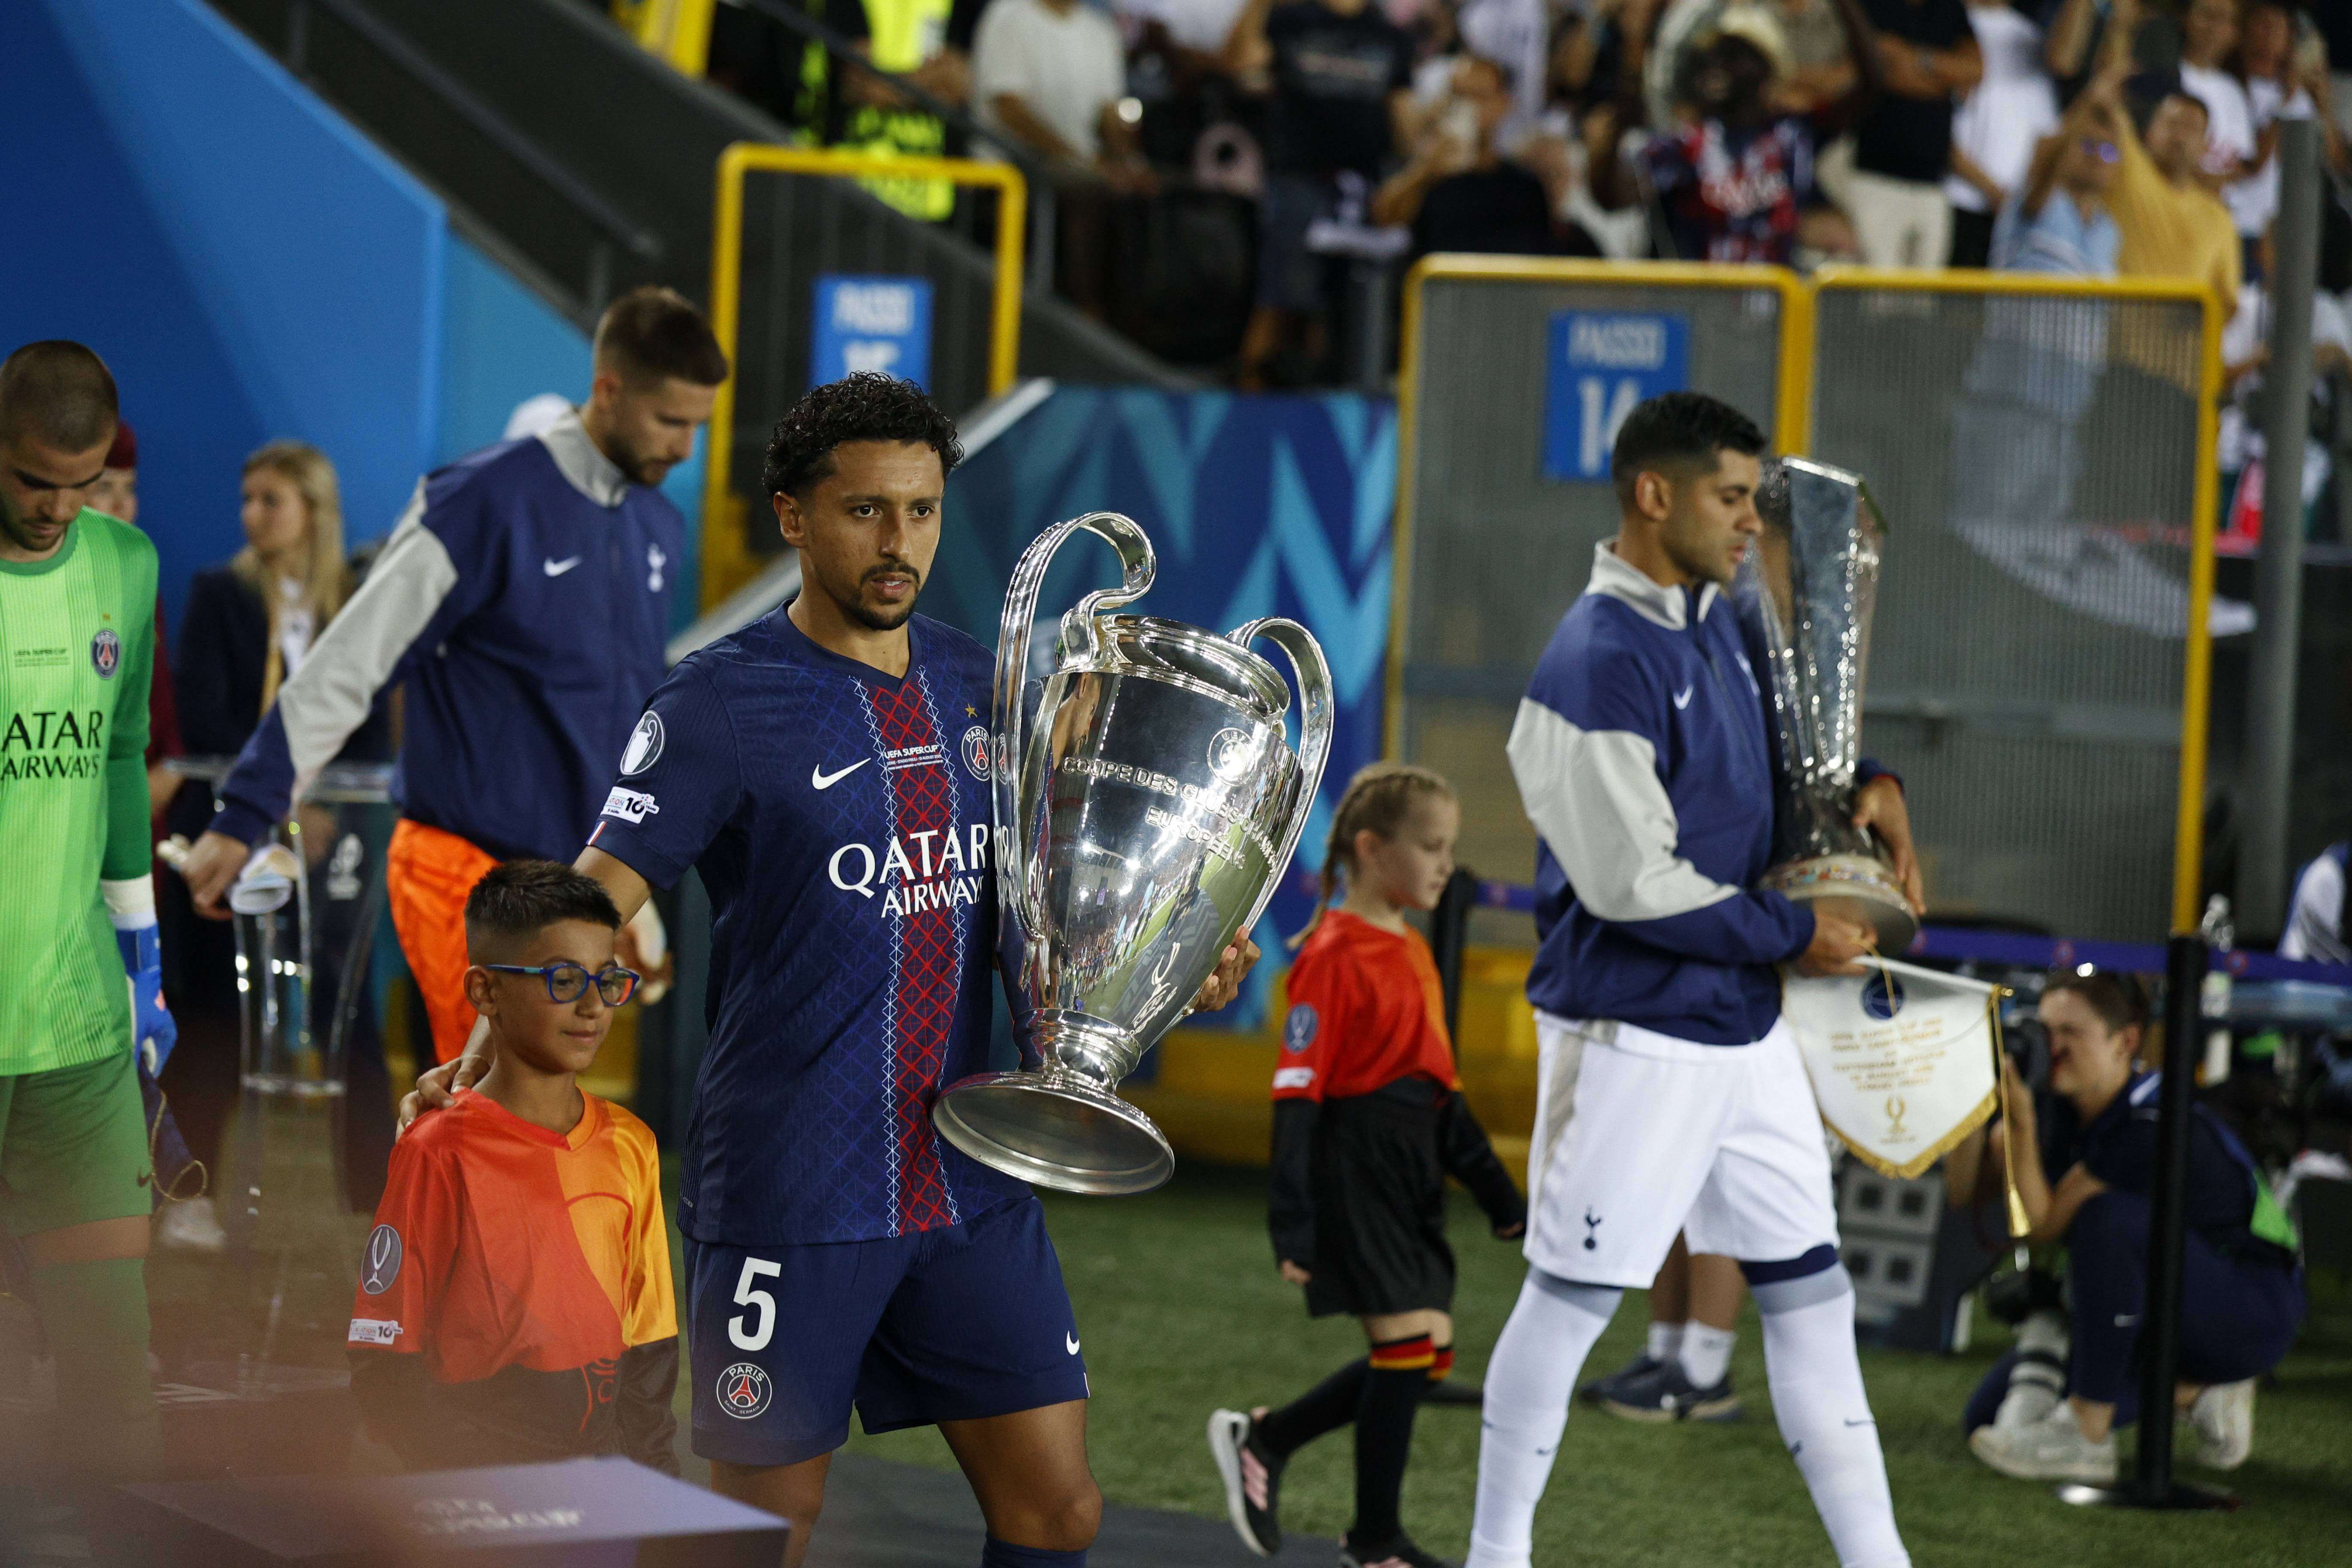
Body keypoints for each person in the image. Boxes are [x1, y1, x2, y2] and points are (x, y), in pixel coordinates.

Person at [407, 373, 1257, 1568]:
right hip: (796, 1186)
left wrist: (1162, 966)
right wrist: (488, 1044)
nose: (898, 541)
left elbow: (1040, 909)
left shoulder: (990, 690)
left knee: (1056, 1511)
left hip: (968, 1175)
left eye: (920, 510)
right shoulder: (720, 705)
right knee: (755, 1528)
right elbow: (596, 895)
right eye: (864, 511)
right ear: (793, 516)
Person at [1465, 391, 1923, 1568]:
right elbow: (1634, 886)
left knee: (1814, 1304)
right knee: (1567, 1308)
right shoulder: (1592, 662)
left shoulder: (1724, 614)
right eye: (1729, 497)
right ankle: (1496, 1556)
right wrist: (1797, 934)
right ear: (1651, 495)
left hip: (1747, 1029)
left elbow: (1790, 749)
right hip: (1634, 1037)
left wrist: (1873, 787)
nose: (1747, 521)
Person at [174, 287, 727, 1066]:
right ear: (608, 391)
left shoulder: (656, 525)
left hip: (574, 885)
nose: (686, 447)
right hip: (461, 872)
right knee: (486, 1129)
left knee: (504, 1140)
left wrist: (627, 896)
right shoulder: (480, 499)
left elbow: (623, 728)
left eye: (698, 425)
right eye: (672, 422)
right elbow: (351, 660)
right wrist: (247, 811)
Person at [1208, 764, 1524, 1568]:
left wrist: (1496, 1191)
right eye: (1430, 846)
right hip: (1355, 1166)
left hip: (1411, 1163)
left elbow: (1440, 1086)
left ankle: (1268, 1436)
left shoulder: (1412, 946)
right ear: (1371, 848)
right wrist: (1294, 1219)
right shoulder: (1331, 955)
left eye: (1449, 848)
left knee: (1429, 1353)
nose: (1445, 864)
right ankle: (1375, 1539)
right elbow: (1297, 1093)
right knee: (1406, 1349)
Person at [348, 859, 675, 1472]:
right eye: (561, 980)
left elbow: (650, 1347)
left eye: (607, 981)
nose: (592, 1007)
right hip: (477, 1494)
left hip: (601, 1494)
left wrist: (654, 1490)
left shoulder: (634, 1144)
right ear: (485, 992)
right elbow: (383, 1360)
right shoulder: (436, 1149)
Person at [0, 340, 172, 1480]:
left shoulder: (127, 564)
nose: (59, 509)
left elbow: (116, 758)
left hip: (76, 1033)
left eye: (82, 482)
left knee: (116, 1366)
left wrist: (143, 958)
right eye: (32, 483)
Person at [158, 442, 396, 1251]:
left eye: (272, 500)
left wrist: (319, 805)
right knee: (215, 1018)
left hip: (334, 844)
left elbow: (365, 725)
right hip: (232, 832)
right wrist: (278, 804)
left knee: (349, 1015)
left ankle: (379, 1208)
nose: (252, 514)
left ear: (314, 511)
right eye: (247, 497)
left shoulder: (353, 605)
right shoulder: (218, 593)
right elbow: (207, 716)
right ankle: (190, 1196)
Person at [1948, 972, 2304, 1481]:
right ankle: (2200, 1392)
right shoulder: (2062, 1106)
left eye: (2072, 1032)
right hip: (2149, 1308)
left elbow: (2044, 1224)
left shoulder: (2153, 1117)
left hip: (2247, 1308)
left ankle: (2086, 1434)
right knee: (1986, 1419)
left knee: (2107, 1219)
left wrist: (2022, 1125)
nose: (2054, 1047)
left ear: (2126, 1042)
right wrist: (1970, 1102)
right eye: (2045, 1030)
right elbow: (1966, 1196)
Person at [1229, 0, 1417, 387]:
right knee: (1282, 299)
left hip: (1362, 187)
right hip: (1298, 179)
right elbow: (1243, 65)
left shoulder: (1388, 35)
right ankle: (1250, 409)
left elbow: (1402, 116)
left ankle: (1321, 409)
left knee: (1347, 309)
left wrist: (1414, 173)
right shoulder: (1291, 18)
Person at [1628, 6, 1862, 264]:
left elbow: (1867, 85)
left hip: (1775, 297)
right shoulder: (1682, 148)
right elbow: (1613, 193)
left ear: (1766, 74)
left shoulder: (1792, 140)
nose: (1720, 67)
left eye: (1735, 56)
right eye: (1713, 56)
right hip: (1701, 298)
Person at [1372, 55, 1578, 264]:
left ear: (1504, 103)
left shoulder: (1524, 186)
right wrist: (1426, 168)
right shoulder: (1433, 178)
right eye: (1460, 96)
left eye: (1479, 97)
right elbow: (1383, 218)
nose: (1469, 107)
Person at [2091, 51, 2242, 306]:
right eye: (2172, 123)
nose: (2180, 135)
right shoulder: (2128, 169)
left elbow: (2227, 304)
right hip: (2114, 339)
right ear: (2149, 132)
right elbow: (2100, 106)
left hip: (2185, 344)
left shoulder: (2219, 218)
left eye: (2192, 128)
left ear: (2206, 147)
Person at [1848, 0, 1983, 268]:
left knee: (1926, 299)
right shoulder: (1871, 7)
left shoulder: (1949, 9)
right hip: (1876, 178)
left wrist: (1917, 59)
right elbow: (1878, 73)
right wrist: (1943, 79)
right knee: (1877, 294)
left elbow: (1975, 70)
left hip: (1934, 183)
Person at [1944, 0, 2058, 266]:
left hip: (2019, 219)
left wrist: (2019, 200)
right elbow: (1933, 128)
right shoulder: (1948, 25)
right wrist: (1993, 191)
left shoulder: (2031, 37)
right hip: (1959, 206)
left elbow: (2048, 132)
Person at [1992, 77, 2122, 274]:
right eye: (2088, 145)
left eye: (2108, 151)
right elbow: (2046, 161)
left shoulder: (2108, 230)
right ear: (2065, 147)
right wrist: (2090, 99)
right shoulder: (2037, 197)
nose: (2097, 156)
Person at [2281, 840, 2349, 965]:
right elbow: (2315, 933)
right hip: (2303, 965)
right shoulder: (2328, 872)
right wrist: (2345, 959)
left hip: (2301, 959)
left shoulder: (2324, 868)